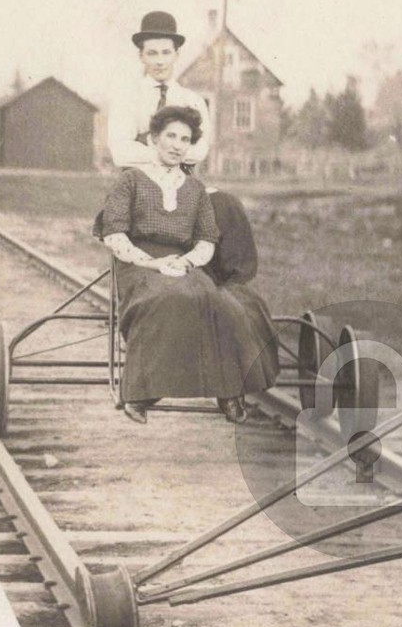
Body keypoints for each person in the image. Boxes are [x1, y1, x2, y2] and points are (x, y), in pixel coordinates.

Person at [98, 105, 278, 424]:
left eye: (185, 139)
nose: (177, 145)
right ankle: (141, 393)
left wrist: (186, 262)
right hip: (139, 263)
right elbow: (114, 234)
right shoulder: (131, 181)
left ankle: (230, 392)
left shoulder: (194, 189)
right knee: (165, 299)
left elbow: (207, 240)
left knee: (222, 305)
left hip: (183, 262)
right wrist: (153, 263)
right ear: (154, 139)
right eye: (170, 136)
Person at [107, 10, 212, 170]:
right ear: (141, 56)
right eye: (152, 54)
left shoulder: (192, 101)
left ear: (176, 55)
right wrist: (175, 151)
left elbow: (199, 150)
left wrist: (145, 145)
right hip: (137, 185)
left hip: (180, 185)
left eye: (166, 53)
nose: (160, 61)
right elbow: (121, 154)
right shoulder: (127, 99)